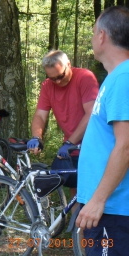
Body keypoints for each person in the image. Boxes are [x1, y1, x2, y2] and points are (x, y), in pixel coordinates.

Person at [76, 6, 129, 256]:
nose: (92, 36)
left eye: (94, 30)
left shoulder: (124, 78)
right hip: (107, 207)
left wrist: (98, 200)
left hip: (114, 210)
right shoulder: (114, 77)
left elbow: (126, 146)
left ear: (102, 36)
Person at [27, 50, 99, 200]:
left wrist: (70, 142)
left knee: (94, 192)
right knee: (76, 192)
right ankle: (75, 224)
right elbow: (40, 115)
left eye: (60, 76)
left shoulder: (84, 77)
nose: (57, 82)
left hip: (93, 144)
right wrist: (36, 136)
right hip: (71, 148)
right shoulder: (47, 86)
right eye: (52, 78)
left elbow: (91, 113)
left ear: (68, 65)